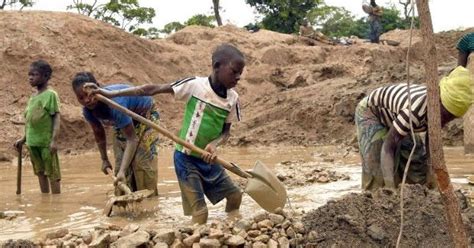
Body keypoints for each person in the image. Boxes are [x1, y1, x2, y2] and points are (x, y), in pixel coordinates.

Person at [87, 44, 244, 224]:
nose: (238, 77)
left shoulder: (233, 99)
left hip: (208, 159)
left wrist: (215, 144)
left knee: (235, 196)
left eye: (240, 73)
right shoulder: (195, 85)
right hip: (186, 159)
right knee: (201, 214)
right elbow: (151, 89)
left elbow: (226, 132)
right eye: (234, 72)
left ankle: (230, 226)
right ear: (216, 66)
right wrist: (111, 93)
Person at [355, 66, 473, 190]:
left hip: (400, 117)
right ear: (438, 102)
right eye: (445, 115)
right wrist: (390, 189)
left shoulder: (439, 112)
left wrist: (431, 176)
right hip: (373, 113)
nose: (445, 120)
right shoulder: (413, 112)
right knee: (377, 172)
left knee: (417, 164)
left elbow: (431, 143)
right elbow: (388, 147)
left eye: (452, 118)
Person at [71, 72, 159, 196]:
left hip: (144, 115)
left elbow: (132, 139)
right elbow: (98, 133)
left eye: (89, 94)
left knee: (142, 164)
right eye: (81, 98)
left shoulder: (115, 104)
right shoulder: (88, 111)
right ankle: (125, 199)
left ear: (97, 87)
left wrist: (123, 170)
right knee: (121, 166)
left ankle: (149, 203)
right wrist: (104, 160)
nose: (87, 100)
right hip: (122, 121)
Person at [14, 60, 61, 194]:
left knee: (52, 174)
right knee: (40, 172)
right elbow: (29, 121)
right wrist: (23, 139)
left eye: (34, 74)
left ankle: (56, 204)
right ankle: (45, 199)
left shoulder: (51, 95)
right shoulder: (33, 97)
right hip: (32, 143)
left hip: (46, 143)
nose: (30, 77)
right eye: (29, 75)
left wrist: (54, 140)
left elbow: (56, 118)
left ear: (45, 76)